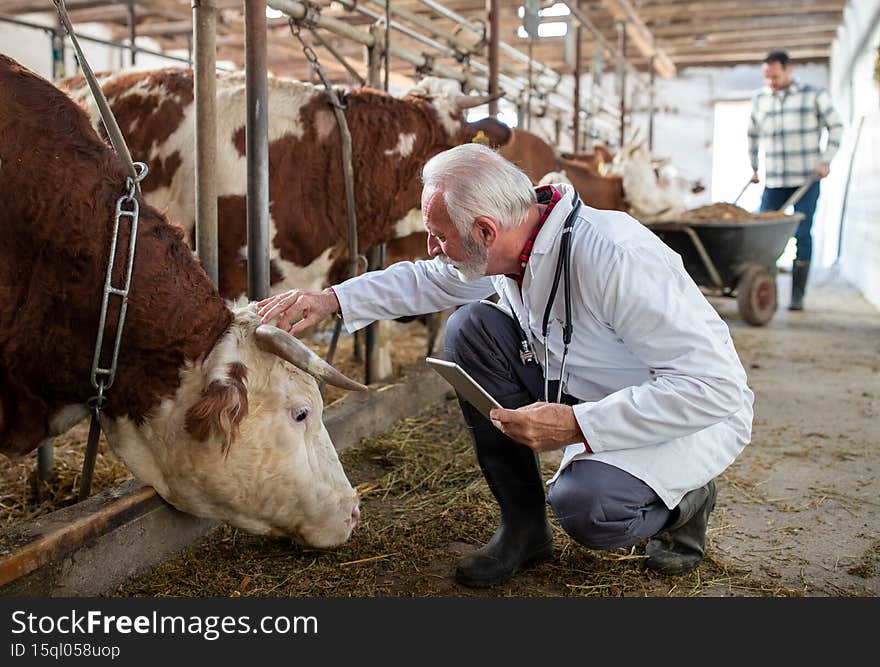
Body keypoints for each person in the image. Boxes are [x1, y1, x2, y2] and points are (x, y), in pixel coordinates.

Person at [258, 143, 754, 588]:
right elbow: (429, 280)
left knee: (590, 508)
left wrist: (578, 423)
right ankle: (524, 530)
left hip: (681, 414)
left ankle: (686, 504)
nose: (432, 248)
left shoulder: (616, 257)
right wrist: (330, 300)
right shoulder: (515, 240)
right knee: (470, 330)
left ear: (485, 230)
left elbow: (714, 387)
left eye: (438, 235)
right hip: (585, 385)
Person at [748, 50, 844, 311]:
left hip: (806, 179)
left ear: (789, 70)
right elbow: (752, 134)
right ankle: (763, 292)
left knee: (802, 233)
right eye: (767, 77)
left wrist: (826, 160)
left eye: (775, 76)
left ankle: (797, 296)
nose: (771, 82)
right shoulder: (760, 100)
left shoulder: (813, 95)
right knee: (762, 234)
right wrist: (754, 167)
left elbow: (836, 126)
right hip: (775, 180)